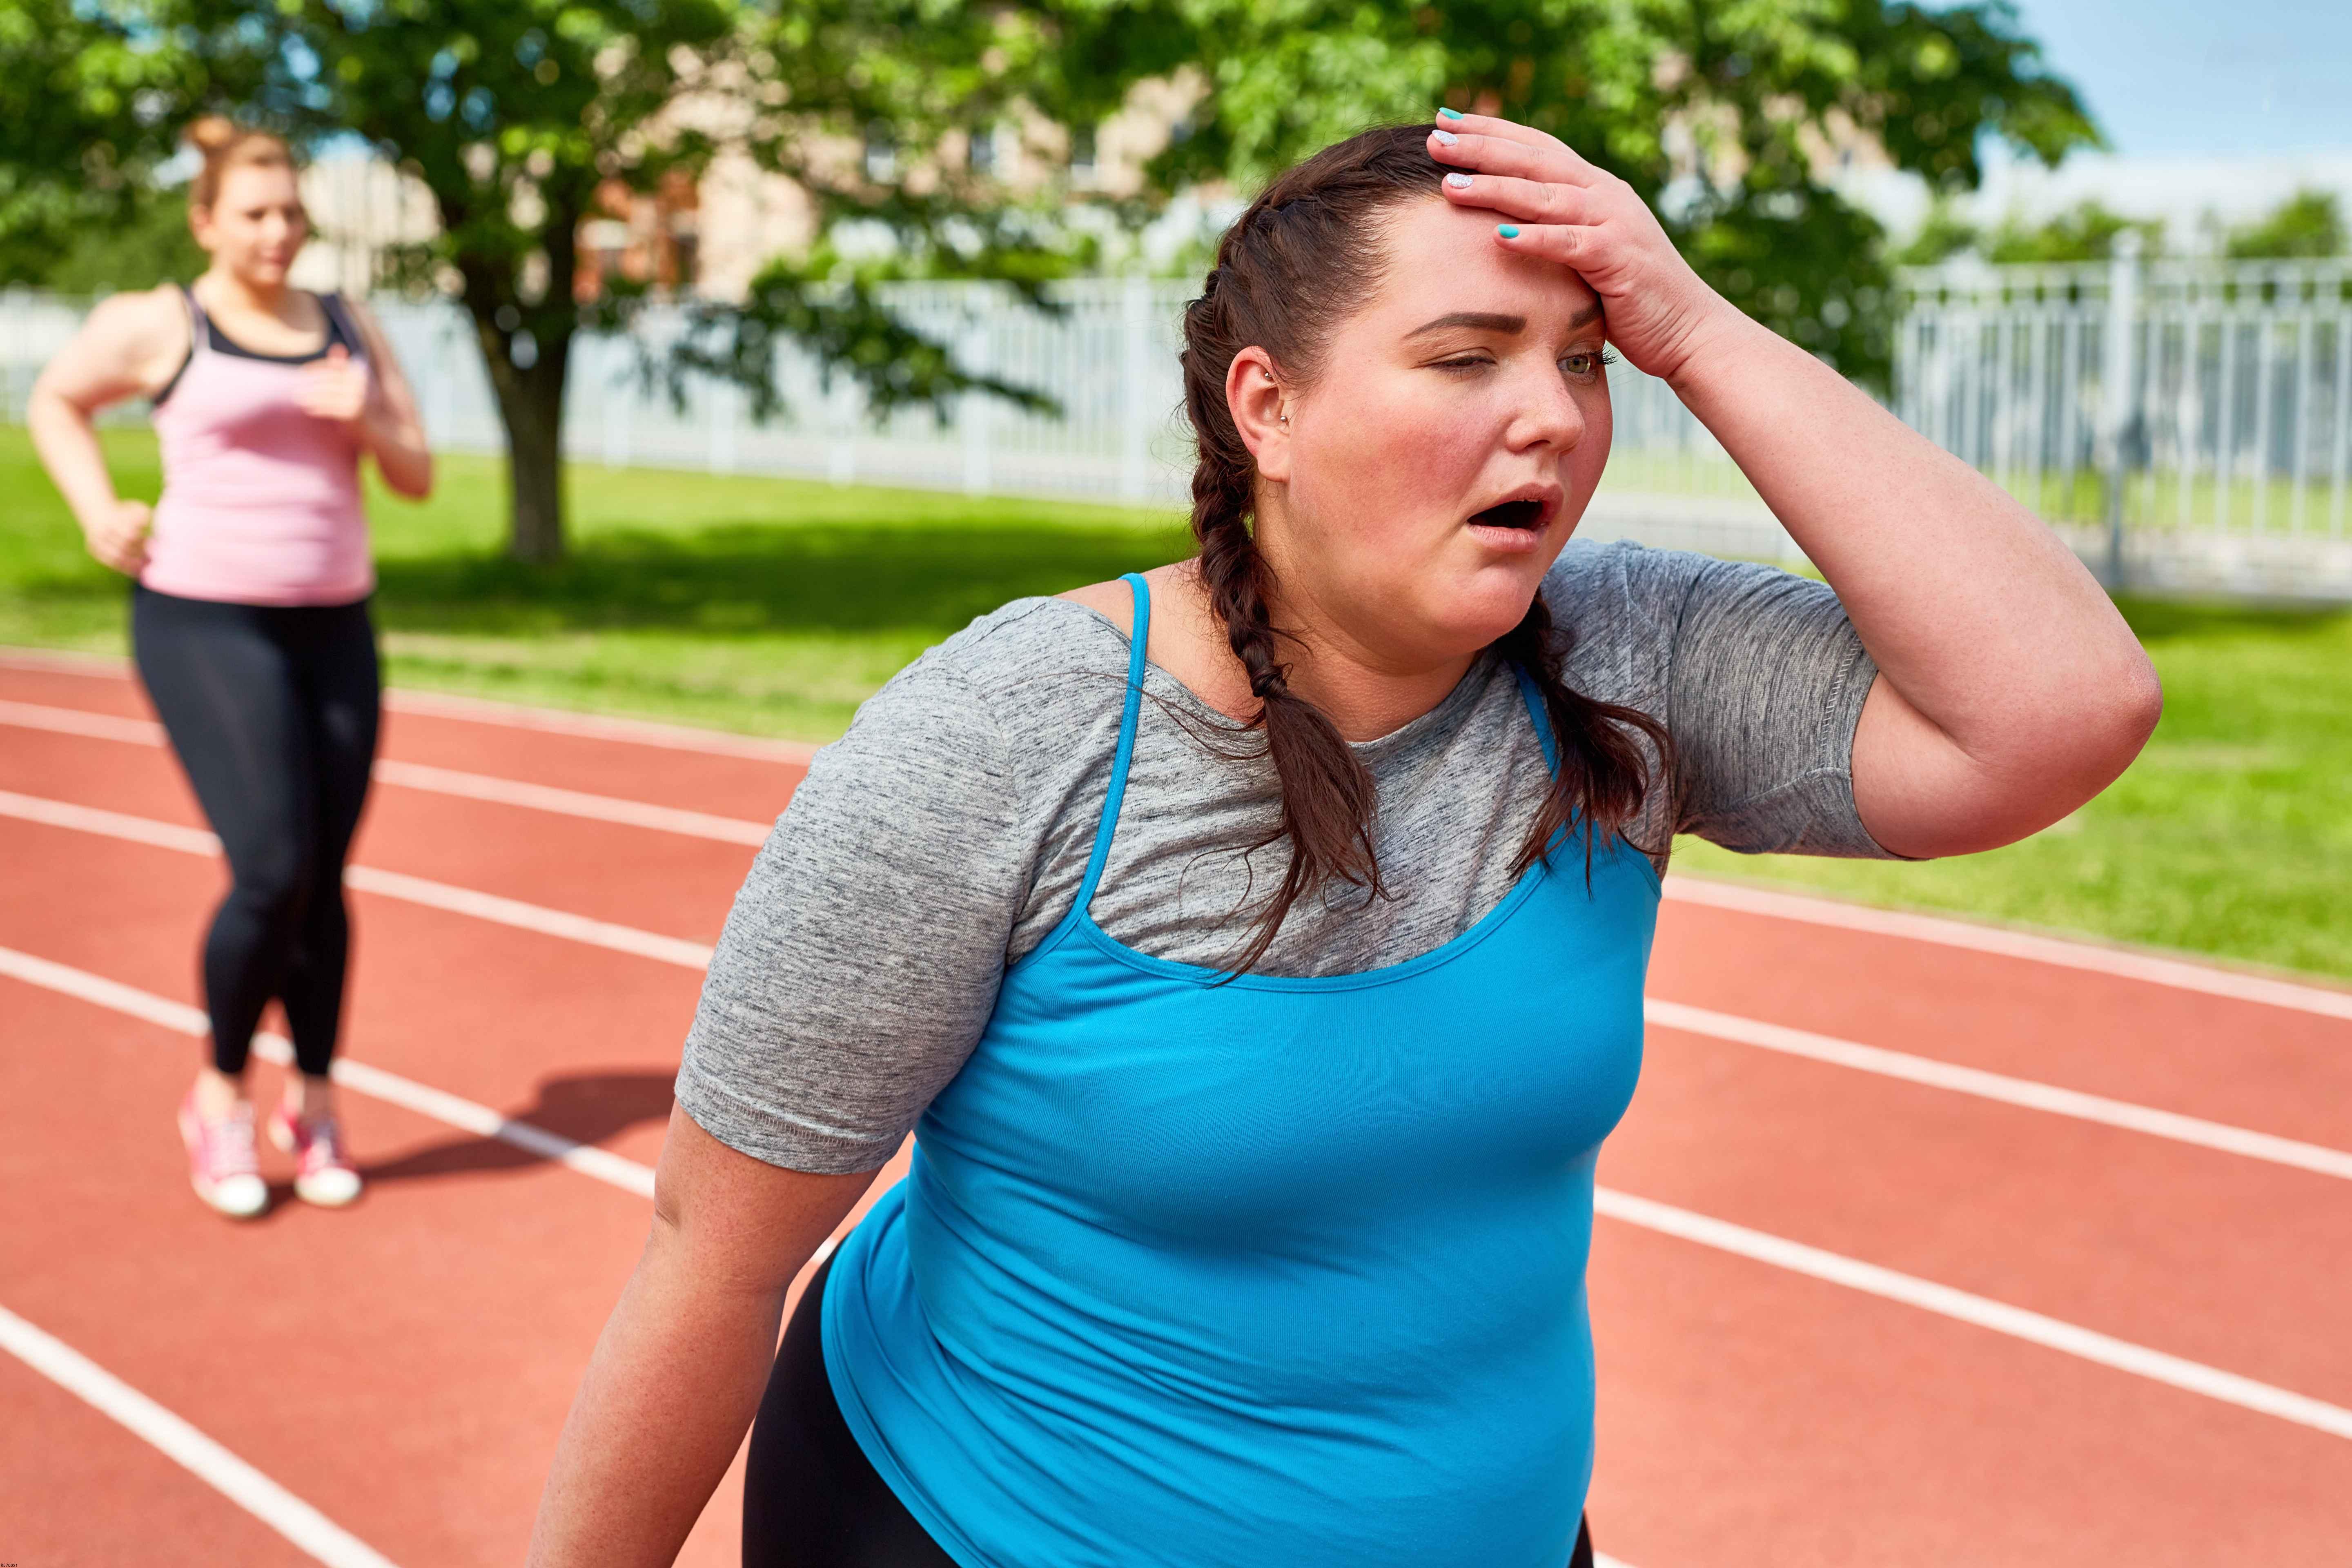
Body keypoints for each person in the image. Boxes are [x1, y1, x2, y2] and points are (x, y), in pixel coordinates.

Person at [529, 116, 2159, 1567]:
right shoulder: (1008, 739)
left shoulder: (1627, 658)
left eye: (1585, 361)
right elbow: (711, 1260)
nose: (1554, 419)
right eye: (1467, 358)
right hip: (968, 1519)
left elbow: (2061, 709)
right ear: (1271, 409)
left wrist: (1704, 331)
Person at [29, 117, 433, 1219]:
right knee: (272, 864)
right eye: (254, 212)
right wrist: (97, 509)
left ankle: (313, 1100)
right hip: (203, 620)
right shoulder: (163, 321)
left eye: (292, 211)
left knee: (326, 877)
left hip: (336, 624)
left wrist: (373, 421)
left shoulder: (349, 322)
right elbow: (55, 401)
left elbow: (419, 477)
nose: (278, 230)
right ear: (207, 221)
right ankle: (219, 1097)